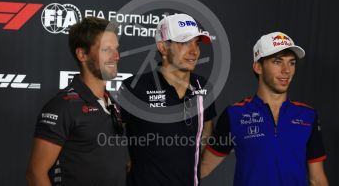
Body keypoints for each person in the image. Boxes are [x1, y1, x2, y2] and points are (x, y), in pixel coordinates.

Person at [201, 32, 328, 185]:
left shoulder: (308, 115)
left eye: (291, 63)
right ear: (258, 67)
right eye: (277, 62)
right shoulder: (234, 114)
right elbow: (204, 168)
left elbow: (317, 180)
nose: (286, 70)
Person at [116, 13, 216, 186]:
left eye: (196, 43)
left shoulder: (203, 86)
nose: (194, 51)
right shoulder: (135, 86)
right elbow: (114, 138)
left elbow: (206, 130)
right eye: (185, 43)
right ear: (163, 47)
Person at [26, 17, 127, 186]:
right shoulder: (62, 106)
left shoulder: (112, 104)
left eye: (116, 49)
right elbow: (35, 174)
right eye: (106, 49)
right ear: (82, 54)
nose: (116, 56)